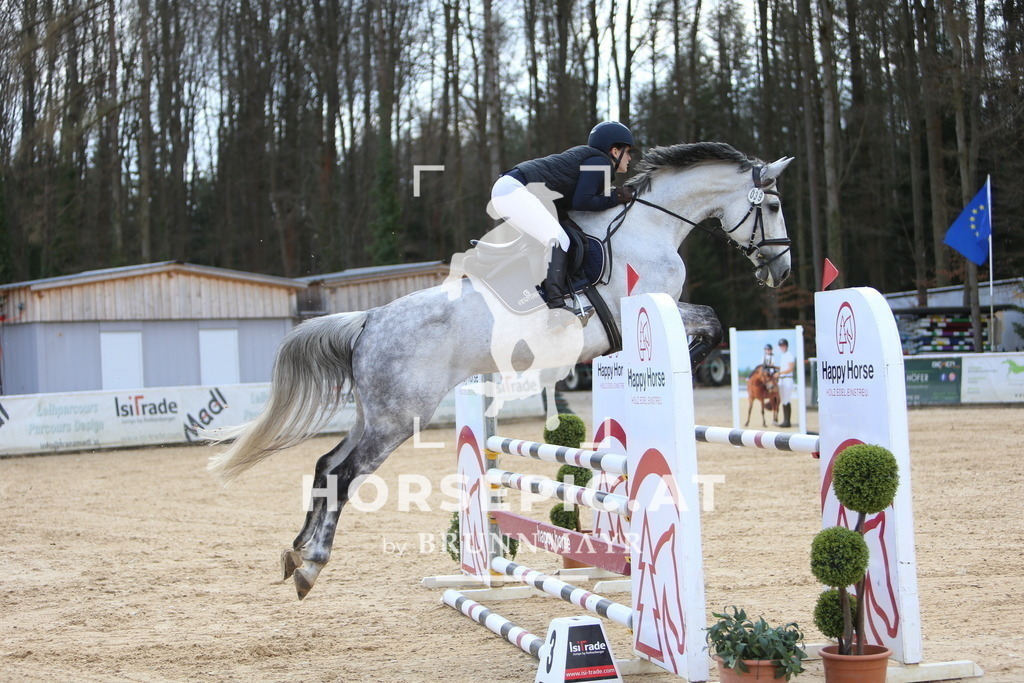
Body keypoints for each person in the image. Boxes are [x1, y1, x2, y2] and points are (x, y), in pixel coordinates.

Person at [489, 122, 635, 317]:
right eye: (628, 152)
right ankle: (556, 309)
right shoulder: (601, 162)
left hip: (513, 190)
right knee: (559, 239)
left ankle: (539, 293)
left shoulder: (593, 160)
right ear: (615, 151)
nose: (630, 158)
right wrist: (616, 198)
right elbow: (583, 200)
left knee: (569, 236)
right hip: (514, 190)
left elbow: (572, 201)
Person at [777, 338, 796, 428]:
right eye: (781, 346)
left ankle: (788, 421)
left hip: (787, 378)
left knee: (787, 399)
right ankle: (785, 420)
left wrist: (780, 373)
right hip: (781, 379)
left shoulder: (789, 355)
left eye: (783, 345)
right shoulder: (783, 356)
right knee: (783, 400)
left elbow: (790, 368)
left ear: (786, 346)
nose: (782, 347)